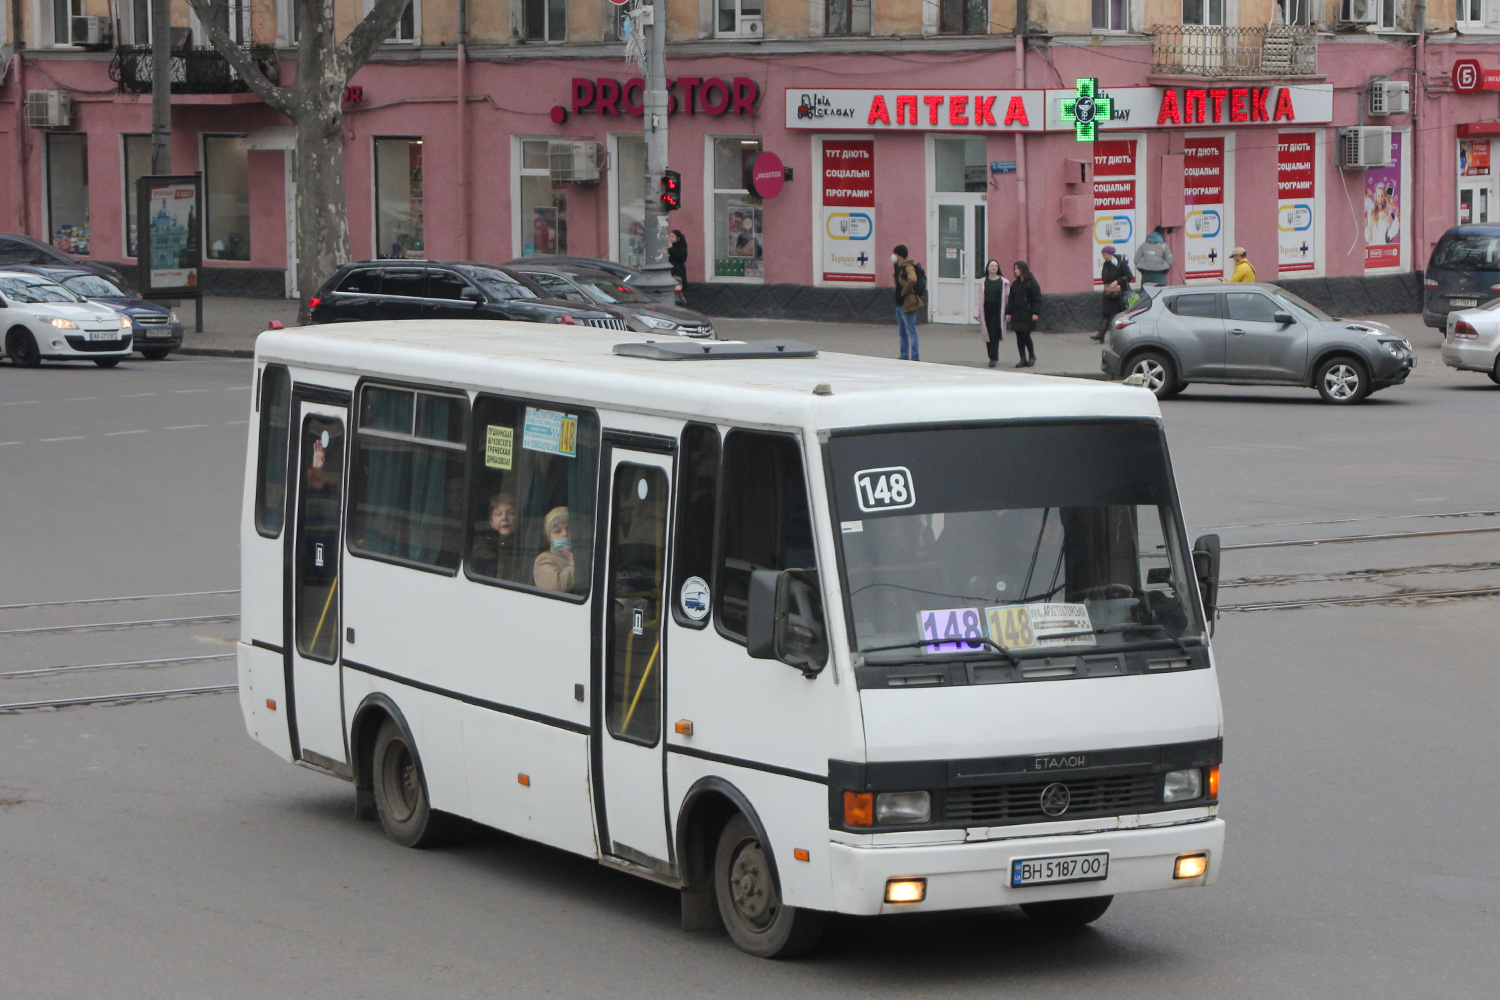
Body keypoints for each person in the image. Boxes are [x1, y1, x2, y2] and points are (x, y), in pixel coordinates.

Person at [471, 493, 520, 581]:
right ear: (491, 519)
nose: (504, 518)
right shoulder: (481, 543)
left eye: (511, 513)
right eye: (498, 514)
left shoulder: (525, 540)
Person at [1004, 261, 1040, 368]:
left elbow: (1037, 299)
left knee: (1025, 335)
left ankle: (1032, 355)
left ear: (1023, 269)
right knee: (1019, 336)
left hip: (1028, 314)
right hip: (1017, 313)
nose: (1015, 271)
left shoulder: (1032, 283)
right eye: (1015, 269)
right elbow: (1011, 299)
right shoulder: (1015, 284)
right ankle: (1022, 358)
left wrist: (1035, 312)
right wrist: (1008, 312)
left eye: (1018, 269)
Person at [1093, 246, 1133, 342]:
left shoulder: (1121, 263)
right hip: (1109, 292)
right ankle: (1101, 334)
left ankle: (1121, 336)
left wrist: (1117, 281)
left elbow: (1129, 276)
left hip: (1119, 294)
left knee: (1119, 315)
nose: (1104, 257)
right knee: (1106, 312)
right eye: (1103, 255)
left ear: (1111, 254)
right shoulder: (1106, 264)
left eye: (1105, 255)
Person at [533, 506, 576, 592]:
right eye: (557, 531)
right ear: (549, 538)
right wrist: (574, 564)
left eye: (569, 528)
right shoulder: (544, 560)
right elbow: (556, 586)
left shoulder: (584, 553)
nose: (565, 534)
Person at [892, 244, 923, 361]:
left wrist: (904, 292)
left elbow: (913, 279)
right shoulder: (899, 266)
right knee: (902, 331)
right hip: (899, 303)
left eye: (895, 254)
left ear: (900, 255)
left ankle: (915, 356)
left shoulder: (908, 266)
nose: (893, 256)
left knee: (911, 330)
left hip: (907, 303)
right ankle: (904, 354)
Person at [979, 259, 1007, 368]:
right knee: (988, 332)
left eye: (996, 266)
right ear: (988, 268)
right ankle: (990, 353)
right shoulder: (983, 281)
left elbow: (1007, 297)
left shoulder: (1003, 281)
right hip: (986, 308)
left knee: (995, 332)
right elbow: (979, 298)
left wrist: (1008, 312)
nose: (994, 268)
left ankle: (993, 357)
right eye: (992, 266)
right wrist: (977, 312)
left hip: (998, 309)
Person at [667, 230, 688, 304]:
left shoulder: (681, 246)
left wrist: (671, 248)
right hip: (670, 271)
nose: (670, 238)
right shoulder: (667, 247)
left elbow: (680, 258)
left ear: (678, 238)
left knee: (678, 292)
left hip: (678, 271)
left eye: (673, 236)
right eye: (670, 236)